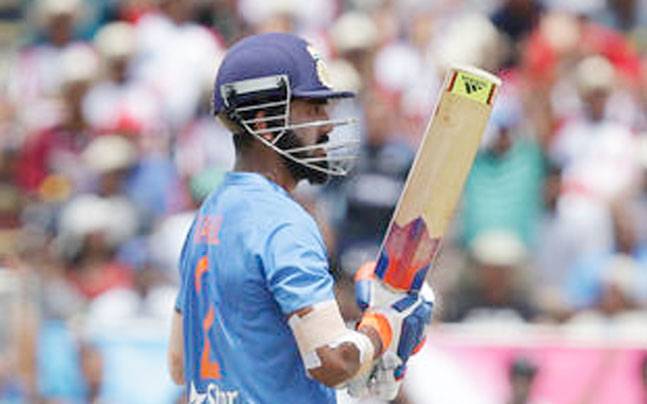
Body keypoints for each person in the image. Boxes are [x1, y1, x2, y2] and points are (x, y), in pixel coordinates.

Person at [167, 33, 432, 403]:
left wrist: (366, 364)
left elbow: (179, 364)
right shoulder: (282, 221)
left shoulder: (207, 216)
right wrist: (384, 326)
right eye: (313, 109)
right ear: (264, 125)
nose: (327, 126)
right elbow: (332, 361)